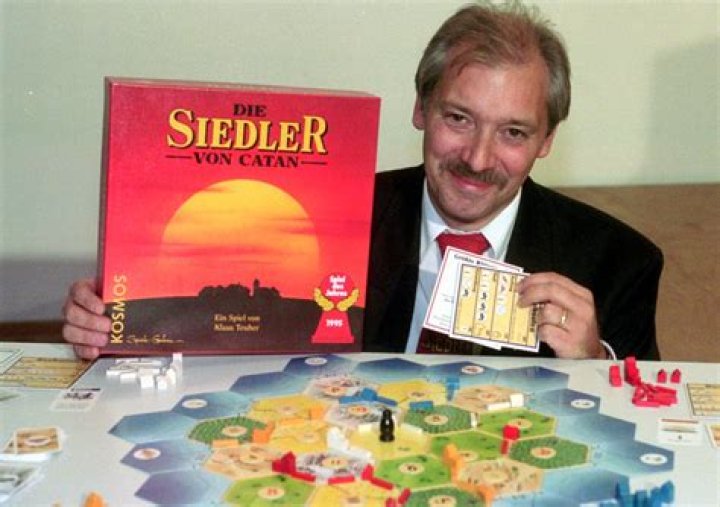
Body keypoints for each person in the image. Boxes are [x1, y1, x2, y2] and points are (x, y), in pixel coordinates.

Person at [62, 1, 662, 361]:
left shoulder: (618, 262)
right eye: (458, 119)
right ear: (421, 109)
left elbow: (644, 418)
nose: (478, 159)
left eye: (513, 132)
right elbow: (224, 331)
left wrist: (596, 362)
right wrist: (117, 328)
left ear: (547, 140)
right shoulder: (329, 222)